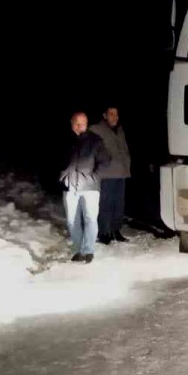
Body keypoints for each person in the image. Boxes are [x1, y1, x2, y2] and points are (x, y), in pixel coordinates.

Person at [60, 111, 110, 263]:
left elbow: (106, 160)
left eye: (83, 124)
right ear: (72, 124)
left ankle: (88, 251)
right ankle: (78, 250)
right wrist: (61, 175)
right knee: (72, 221)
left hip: (90, 187)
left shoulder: (95, 140)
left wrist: (95, 176)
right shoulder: (65, 140)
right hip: (70, 186)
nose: (80, 126)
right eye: (77, 123)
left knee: (90, 219)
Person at [90, 105, 132, 244]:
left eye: (116, 115)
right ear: (104, 115)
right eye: (112, 114)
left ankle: (116, 230)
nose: (115, 117)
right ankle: (103, 233)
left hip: (121, 172)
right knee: (105, 204)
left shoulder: (119, 130)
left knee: (118, 204)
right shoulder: (96, 129)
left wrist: (127, 161)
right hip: (105, 173)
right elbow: (89, 149)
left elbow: (124, 148)